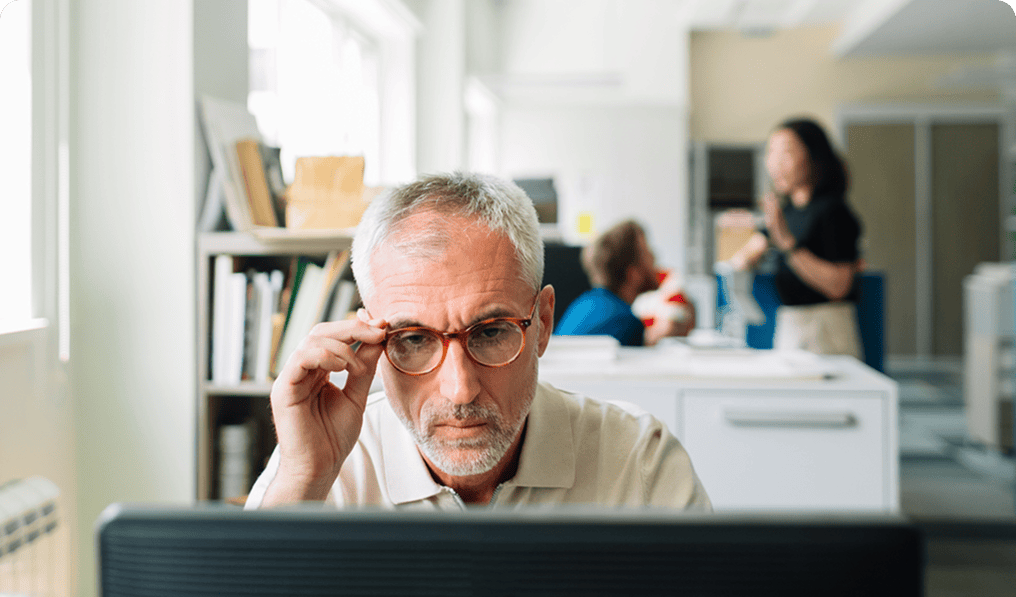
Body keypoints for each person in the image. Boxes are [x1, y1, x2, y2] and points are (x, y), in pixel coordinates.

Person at [246, 172, 710, 511]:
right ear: (369, 340)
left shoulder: (639, 464)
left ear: (543, 323)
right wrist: (304, 479)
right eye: (412, 339)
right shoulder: (325, 462)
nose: (459, 389)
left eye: (490, 333)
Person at [726, 117, 864, 358]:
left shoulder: (832, 211)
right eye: (771, 153)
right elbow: (749, 252)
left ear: (813, 157)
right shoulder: (786, 213)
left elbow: (839, 286)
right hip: (791, 324)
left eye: (786, 153)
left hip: (826, 329)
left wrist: (789, 246)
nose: (776, 163)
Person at [555, 220, 695, 346]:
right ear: (632, 273)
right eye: (647, 252)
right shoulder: (626, 322)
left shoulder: (582, 305)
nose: (655, 258)